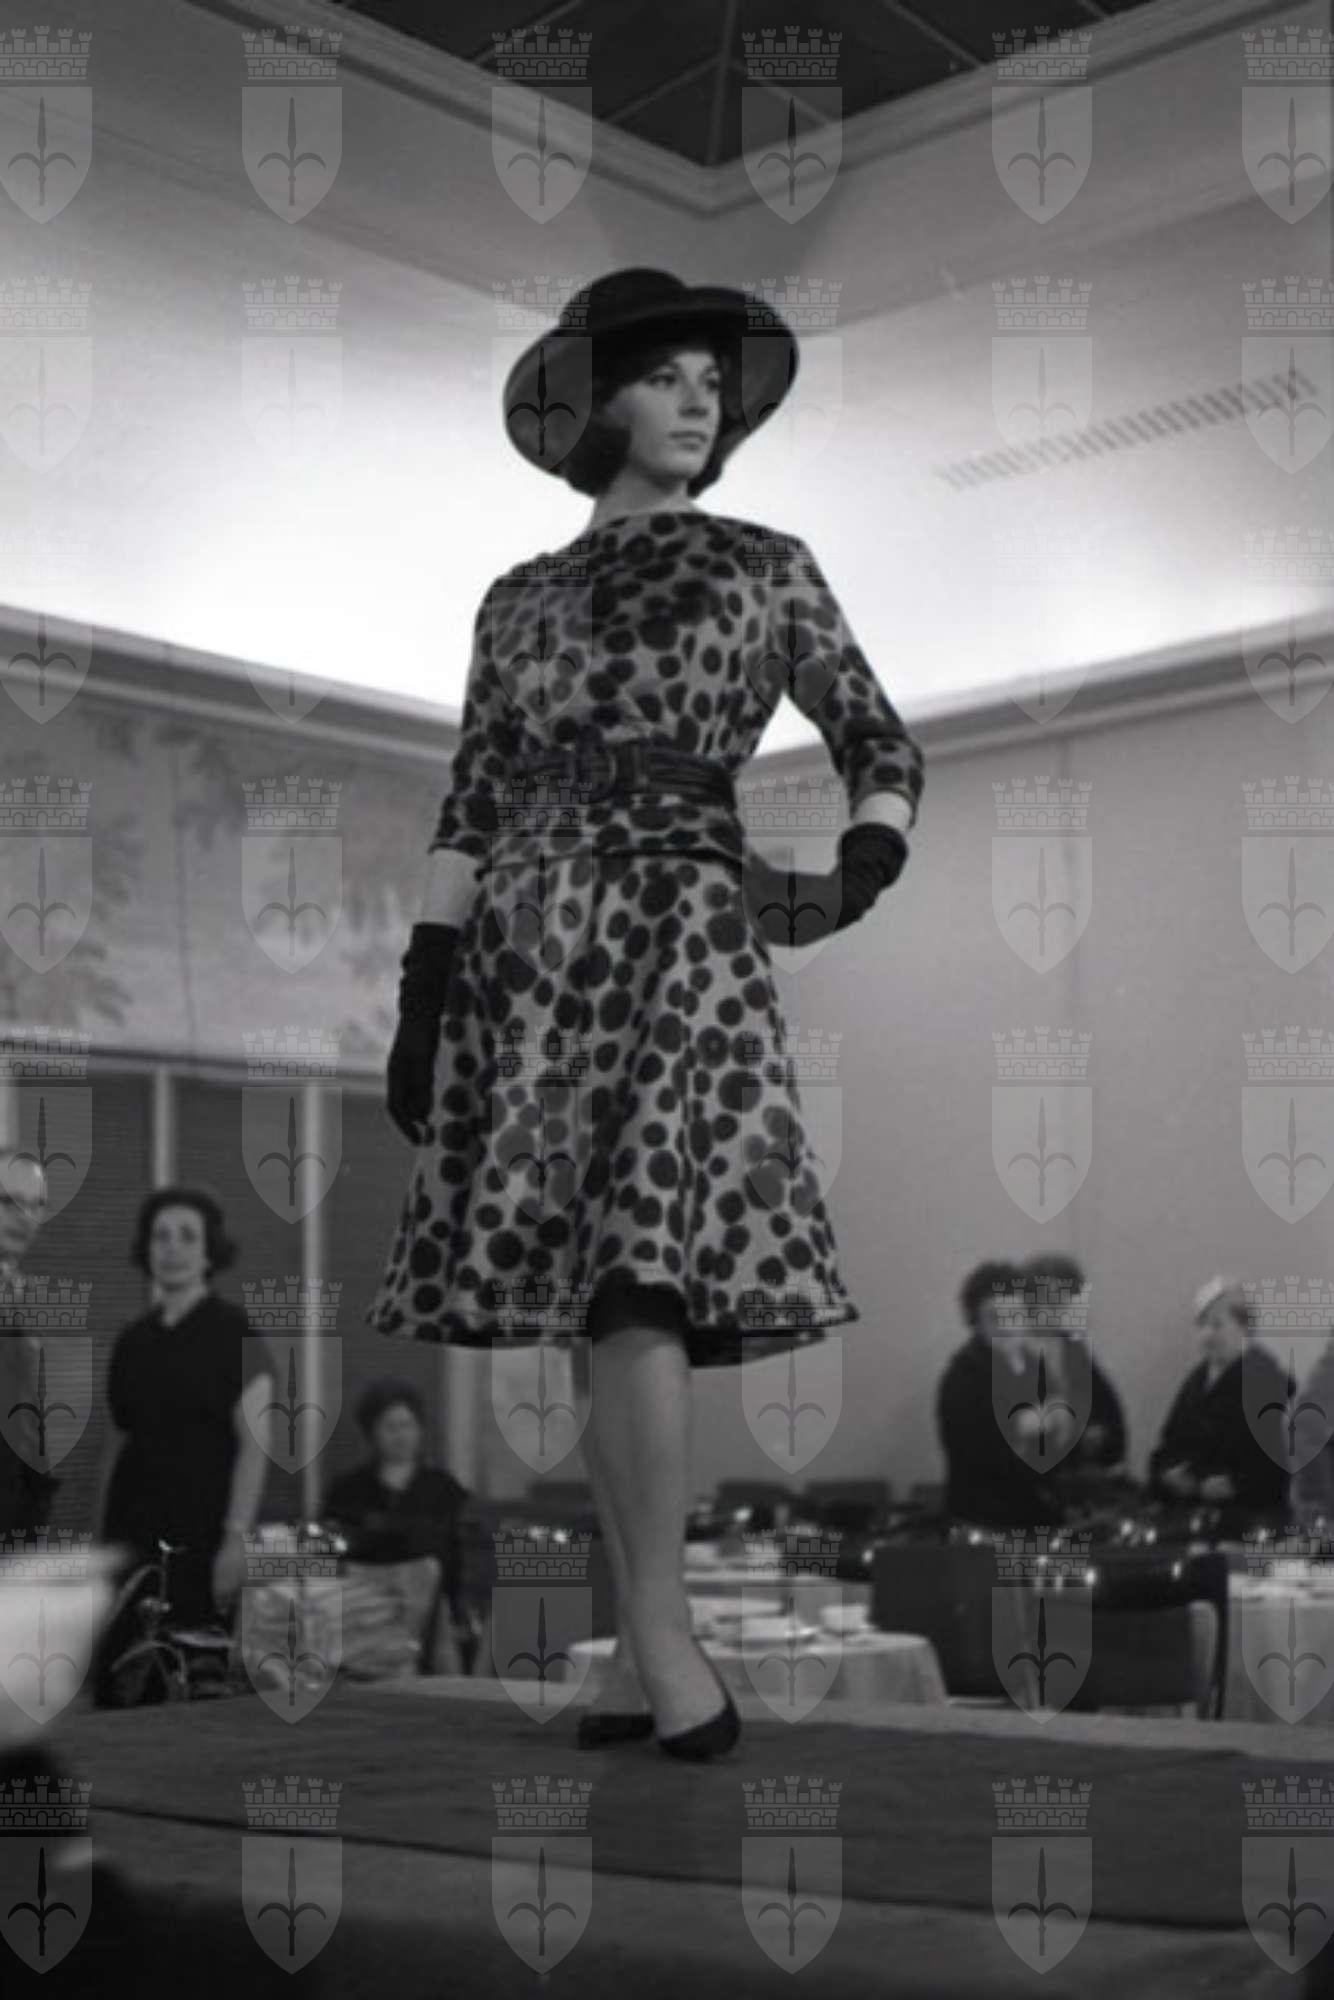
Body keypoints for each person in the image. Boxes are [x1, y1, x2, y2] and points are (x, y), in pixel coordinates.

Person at [367, 268, 924, 1758]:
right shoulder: (517, 596)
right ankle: (637, 1643)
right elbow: (472, 799)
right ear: (601, 397)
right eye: (667, 374)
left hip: (680, 929)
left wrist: (859, 865)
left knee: (640, 1281)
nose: (699, 399)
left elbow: (877, 737)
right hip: (529, 946)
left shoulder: (761, 564)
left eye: (710, 382)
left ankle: (664, 1639)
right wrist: (425, 984)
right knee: (587, 1297)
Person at [92, 1186, 274, 1695]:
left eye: (188, 1237)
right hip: (132, 1535)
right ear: (146, 1249)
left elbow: (255, 1445)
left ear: (209, 1252)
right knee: (122, 1684)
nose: (172, 1248)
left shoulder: (235, 1333)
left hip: (202, 1537)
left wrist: (236, 1539)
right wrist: (100, 1543)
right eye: (161, 1236)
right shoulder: (132, 1340)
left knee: (193, 1683)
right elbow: (117, 1442)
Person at [321, 1378, 475, 1672]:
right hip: (363, 1608)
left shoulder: (443, 1488)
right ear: (372, 1433)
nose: (400, 1435)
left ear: (420, 1430)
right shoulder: (347, 1490)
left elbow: (456, 1554)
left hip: (433, 1611)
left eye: (407, 1425)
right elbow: (333, 1547)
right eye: (390, 1427)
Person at [1148, 1274, 1290, 1530]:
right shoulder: (1195, 1382)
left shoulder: (1269, 1383)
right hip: (1191, 1515)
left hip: (1249, 1522)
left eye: (1217, 1325)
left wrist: (1236, 1485)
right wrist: (1168, 1474)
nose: (1207, 1335)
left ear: (1244, 1328)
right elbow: (1168, 1445)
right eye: (1202, 1325)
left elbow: (1280, 1465)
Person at [936, 1260, 1067, 1528]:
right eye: (996, 1317)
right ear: (975, 1322)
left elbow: (1064, 1435)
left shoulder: (1036, 1368)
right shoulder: (963, 1377)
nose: (1008, 1326)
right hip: (982, 1523)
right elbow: (982, 1455)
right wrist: (1032, 1424)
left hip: (1039, 1515)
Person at [1015, 1252, 1128, 1510]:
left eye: (1064, 1300)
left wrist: (1099, 1434)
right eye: (1050, 1298)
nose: (1058, 1308)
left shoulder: (1074, 1350)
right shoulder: (1012, 1353)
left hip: (1077, 1481)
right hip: (1028, 1484)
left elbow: (1108, 1411)